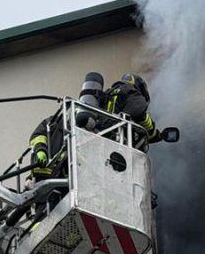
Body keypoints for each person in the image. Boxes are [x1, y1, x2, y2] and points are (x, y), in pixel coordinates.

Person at [28, 72, 165, 183]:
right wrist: (155, 133)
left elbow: (38, 134)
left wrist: (41, 150)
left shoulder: (78, 110)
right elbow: (139, 111)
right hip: (101, 157)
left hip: (61, 167)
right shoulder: (130, 91)